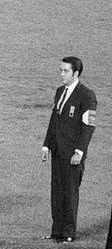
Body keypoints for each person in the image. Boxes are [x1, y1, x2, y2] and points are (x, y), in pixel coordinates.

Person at [42, 56, 97, 243]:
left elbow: (88, 127)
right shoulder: (59, 92)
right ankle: (56, 231)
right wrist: (46, 145)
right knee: (56, 192)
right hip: (57, 152)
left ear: (76, 73)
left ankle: (68, 233)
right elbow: (54, 121)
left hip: (73, 155)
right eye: (61, 70)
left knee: (70, 193)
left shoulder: (87, 95)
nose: (61, 74)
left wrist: (79, 152)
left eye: (65, 71)